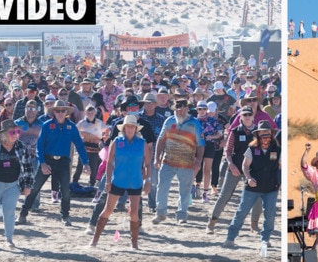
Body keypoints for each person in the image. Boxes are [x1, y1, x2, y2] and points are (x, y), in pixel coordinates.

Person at [15, 100, 90, 226]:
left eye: (62, 110)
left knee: (66, 190)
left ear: (66, 112)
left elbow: (79, 145)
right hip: (48, 161)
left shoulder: (71, 127)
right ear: (53, 112)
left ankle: (65, 216)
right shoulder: (46, 125)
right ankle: (23, 215)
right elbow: (40, 146)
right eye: (57, 110)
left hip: (63, 162)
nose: (60, 113)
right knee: (34, 188)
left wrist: (86, 163)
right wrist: (43, 163)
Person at [89, 115, 151, 249]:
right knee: (108, 210)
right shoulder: (116, 142)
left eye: (132, 127)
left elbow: (148, 164)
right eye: (128, 126)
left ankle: (134, 243)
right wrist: (108, 181)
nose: (130, 129)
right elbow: (109, 162)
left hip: (135, 181)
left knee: (134, 212)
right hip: (118, 180)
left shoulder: (142, 143)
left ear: (136, 129)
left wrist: (148, 181)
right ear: (124, 128)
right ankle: (95, 240)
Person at [223, 120, 281, 255]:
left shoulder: (277, 149)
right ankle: (230, 238)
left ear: (271, 134)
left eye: (267, 132)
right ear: (258, 134)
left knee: (270, 215)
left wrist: (280, 183)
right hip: (252, 187)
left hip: (271, 187)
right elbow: (244, 166)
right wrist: (248, 178)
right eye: (262, 132)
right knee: (242, 211)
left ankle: (265, 240)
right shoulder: (252, 149)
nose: (265, 134)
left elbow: (280, 167)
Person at [206, 106, 262, 234]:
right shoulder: (235, 131)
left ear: (253, 116)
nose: (247, 117)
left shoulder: (258, 133)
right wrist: (231, 165)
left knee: (257, 197)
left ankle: (254, 225)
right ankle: (211, 223)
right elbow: (228, 151)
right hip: (235, 167)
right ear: (241, 117)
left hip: (252, 169)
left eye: (249, 114)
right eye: (244, 114)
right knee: (224, 195)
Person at [152, 98, 204, 224]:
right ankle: (160, 212)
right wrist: (157, 157)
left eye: (182, 107)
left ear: (187, 109)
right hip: (168, 160)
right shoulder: (169, 121)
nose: (179, 110)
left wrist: (199, 161)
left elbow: (201, 144)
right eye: (177, 108)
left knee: (185, 189)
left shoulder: (195, 123)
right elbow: (161, 139)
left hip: (187, 162)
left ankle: (182, 214)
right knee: (162, 186)